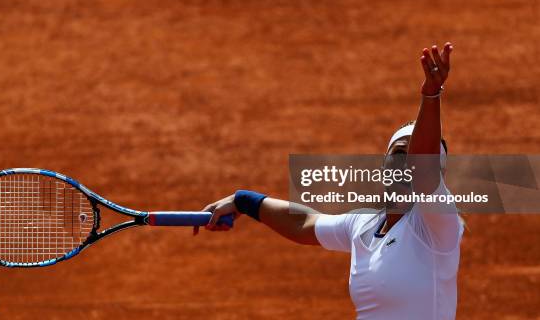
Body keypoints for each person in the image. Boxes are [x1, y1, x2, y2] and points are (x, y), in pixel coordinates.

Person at [196, 43, 463, 320]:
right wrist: (243, 201)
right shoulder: (365, 225)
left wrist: (430, 96)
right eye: (398, 154)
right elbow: (302, 225)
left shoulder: (436, 225)